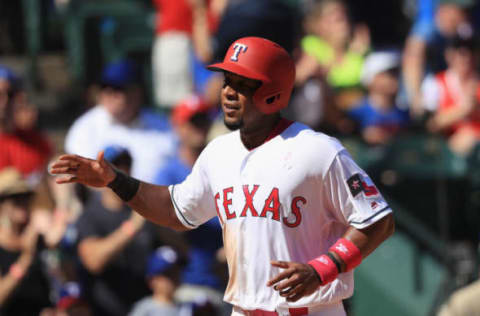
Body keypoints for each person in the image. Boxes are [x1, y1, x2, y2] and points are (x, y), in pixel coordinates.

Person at [51, 37, 395, 316]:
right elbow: (175, 211)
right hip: (242, 310)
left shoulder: (318, 150)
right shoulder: (219, 152)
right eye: (228, 81)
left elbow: (377, 220)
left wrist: (323, 268)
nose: (229, 92)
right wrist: (115, 180)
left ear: (273, 92)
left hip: (312, 311)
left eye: (243, 84)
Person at [153, 95, 229, 315]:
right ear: (178, 127)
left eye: (203, 120)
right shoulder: (168, 173)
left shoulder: (223, 167)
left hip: (231, 281)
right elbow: (161, 225)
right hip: (186, 282)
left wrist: (233, 248)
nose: (199, 127)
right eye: (192, 121)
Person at [73, 145, 165, 316]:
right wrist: (131, 229)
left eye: (125, 165)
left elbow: (179, 249)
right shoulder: (90, 216)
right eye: (113, 166)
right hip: (104, 310)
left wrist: (159, 217)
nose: (120, 171)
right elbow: (93, 261)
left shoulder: (141, 210)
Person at [64, 59, 176, 183]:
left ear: (137, 91)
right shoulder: (85, 127)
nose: (110, 94)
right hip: (104, 199)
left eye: (118, 89)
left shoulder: (162, 126)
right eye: (105, 88)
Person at [402, 0, 474, 118]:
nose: (465, 16)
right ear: (444, 10)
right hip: (417, 101)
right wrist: (415, 98)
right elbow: (413, 58)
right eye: (460, 11)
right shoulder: (427, 28)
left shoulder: (462, 32)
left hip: (445, 97)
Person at [0, 167, 53, 316]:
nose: (23, 203)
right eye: (16, 198)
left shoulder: (36, 237)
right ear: (2, 203)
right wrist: (26, 258)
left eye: (26, 197)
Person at [422, 34, 480, 156]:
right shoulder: (435, 84)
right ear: (450, 55)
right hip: (447, 150)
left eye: (471, 52)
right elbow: (429, 124)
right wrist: (463, 110)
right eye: (461, 53)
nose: (467, 58)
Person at [348, 51, 410, 145]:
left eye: (395, 73)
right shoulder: (355, 114)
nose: (394, 78)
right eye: (388, 74)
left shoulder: (405, 114)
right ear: (371, 79)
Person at [128, 246, 186, 316]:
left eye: (176, 272)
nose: (174, 277)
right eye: (168, 274)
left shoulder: (185, 307)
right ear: (152, 280)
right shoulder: (145, 308)